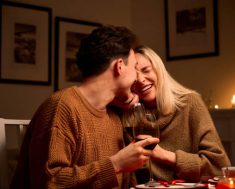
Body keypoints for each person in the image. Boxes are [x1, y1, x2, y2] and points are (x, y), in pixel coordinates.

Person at [10, 26, 159, 189]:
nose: (138, 77)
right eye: (135, 67)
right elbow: (49, 182)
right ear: (120, 66)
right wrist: (115, 164)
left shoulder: (114, 117)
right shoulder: (62, 107)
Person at [120, 46, 231, 183]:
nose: (141, 80)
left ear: (159, 71)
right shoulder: (127, 115)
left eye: (146, 70)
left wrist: (164, 155)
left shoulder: (190, 103)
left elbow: (220, 168)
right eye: (134, 76)